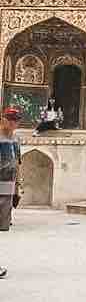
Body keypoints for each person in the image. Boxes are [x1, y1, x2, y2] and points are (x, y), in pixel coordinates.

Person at [0, 107, 22, 278]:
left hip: (7, 187)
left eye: (16, 120)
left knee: (1, 228)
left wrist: (17, 187)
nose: (14, 123)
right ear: (4, 119)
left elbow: (18, 163)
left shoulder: (16, 139)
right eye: (12, 119)